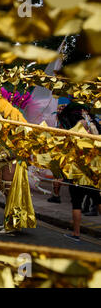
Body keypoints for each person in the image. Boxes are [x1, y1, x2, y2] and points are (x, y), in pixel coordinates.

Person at [58, 103, 101, 241]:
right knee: (97, 199)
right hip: (93, 167)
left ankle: (76, 234)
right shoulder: (95, 124)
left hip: (77, 169)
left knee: (76, 202)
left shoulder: (75, 126)